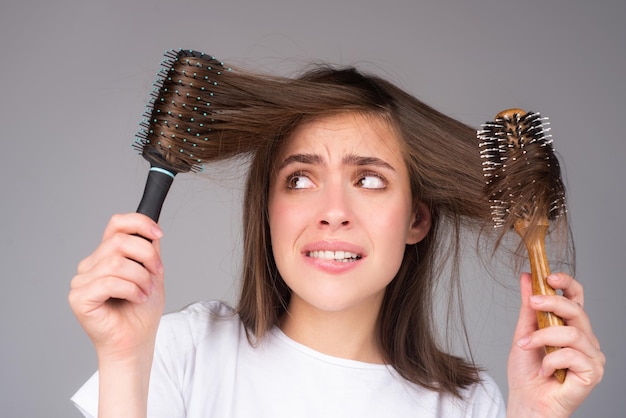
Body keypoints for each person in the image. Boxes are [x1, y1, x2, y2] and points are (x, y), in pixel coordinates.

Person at [68, 64, 604, 417]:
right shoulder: (182, 352)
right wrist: (123, 359)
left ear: (417, 219)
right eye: (300, 179)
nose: (332, 214)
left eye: (369, 180)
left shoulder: (468, 406)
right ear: (268, 211)